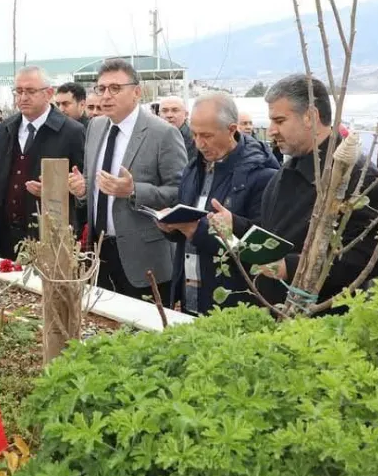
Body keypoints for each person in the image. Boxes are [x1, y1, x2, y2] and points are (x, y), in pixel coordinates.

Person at [208, 74, 378, 311]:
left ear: (311, 116)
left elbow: (371, 256)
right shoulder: (288, 170)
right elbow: (277, 234)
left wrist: (294, 266)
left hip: (325, 324)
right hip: (281, 314)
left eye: (279, 120)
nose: (272, 130)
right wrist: (236, 224)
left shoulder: (359, 179)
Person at [68, 59, 187, 304]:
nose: (105, 96)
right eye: (100, 89)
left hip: (144, 256)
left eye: (115, 88)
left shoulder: (162, 133)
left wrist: (134, 190)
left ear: (137, 92)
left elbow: (180, 192)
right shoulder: (96, 126)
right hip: (98, 251)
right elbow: (96, 182)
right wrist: (82, 189)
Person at [158, 93, 279, 314]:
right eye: (194, 134)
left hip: (234, 301)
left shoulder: (262, 176)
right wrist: (171, 226)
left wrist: (199, 231)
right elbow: (184, 215)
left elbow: (262, 249)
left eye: (207, 135)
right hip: (191, 290)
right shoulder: (194, 168)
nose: (199, 143)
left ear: (232, 130)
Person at [0, 67, 85, 259]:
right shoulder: (6, 128)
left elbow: (82, 186)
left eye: (30, 91)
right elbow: (2, 172)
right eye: (18, 91)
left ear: (48, 93)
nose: (23, 97)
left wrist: (55, 191)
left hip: (49, 236)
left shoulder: (71, 132)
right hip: (5, 234)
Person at [158, 96, 198, 163]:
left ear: (186, 114)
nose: (169, 115)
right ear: (159, 115)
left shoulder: (196, 139)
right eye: (164, 111)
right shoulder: (152, 136)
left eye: (175, 110)